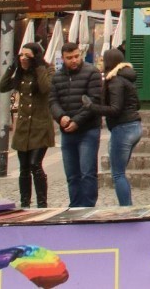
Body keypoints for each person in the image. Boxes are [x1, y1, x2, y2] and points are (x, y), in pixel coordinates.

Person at [82, 48, 142, 206]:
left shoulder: (115, 81)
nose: (100, 62)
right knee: (120, 172)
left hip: (123, 128)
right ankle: (126, 205)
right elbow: (138, 104)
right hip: (135, 126)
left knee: (118, 174)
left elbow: (115, 109)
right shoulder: (127, 78)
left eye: (103, 59)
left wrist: (91, 107)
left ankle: (126, 208)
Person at [0, 41, 53, 208]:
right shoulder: (21, 73)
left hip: (40, 126)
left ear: (35, 57)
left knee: (35, 164)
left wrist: (38, 66)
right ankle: (25, 203)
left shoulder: (47, 70)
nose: (23, 58)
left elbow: (45, 88)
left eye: (27, 56)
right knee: (24, 168)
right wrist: (13, 67)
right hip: (23, 128)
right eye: (21, 55)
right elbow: (2, 86)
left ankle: (42, 203)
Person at [48, 42, 103, 207]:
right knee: (72, 174)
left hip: (88, 129)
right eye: (69, 58)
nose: (74, 60)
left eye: (76, 56)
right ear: (63, 58)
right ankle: (75, 206)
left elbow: (94, 102)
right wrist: (61, 117)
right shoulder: (57, 77)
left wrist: (76, 121)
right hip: (67, 131)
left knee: (87, 172)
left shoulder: (92, 72)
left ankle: (88, 207)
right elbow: (52, 101)